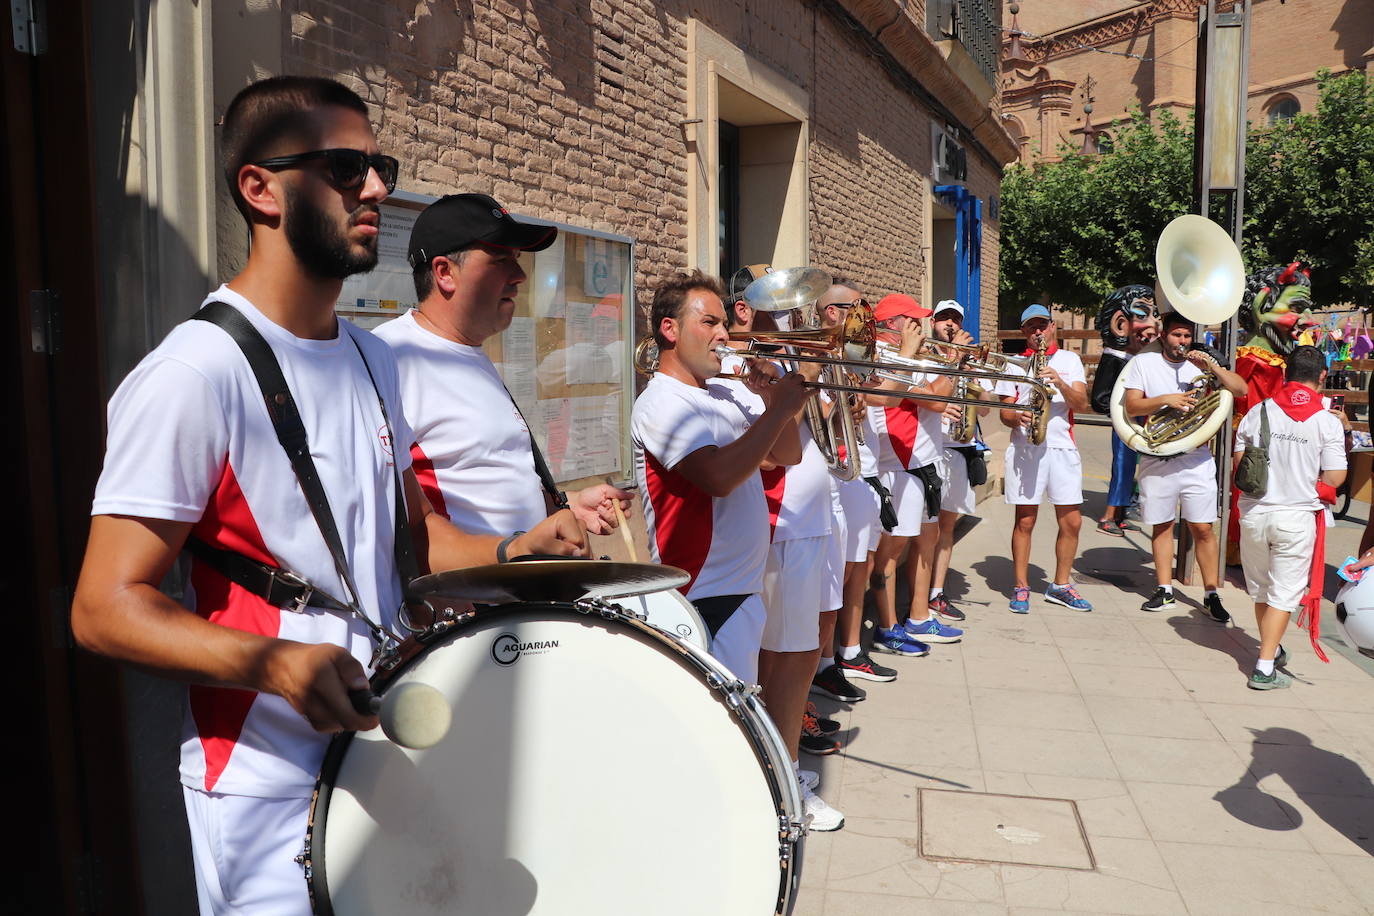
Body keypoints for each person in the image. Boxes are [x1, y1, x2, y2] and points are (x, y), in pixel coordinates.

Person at [69, 76, 584, 915]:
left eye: (377, 164)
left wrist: (512, 553)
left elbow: (414, 546)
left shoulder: (378, 361)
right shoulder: (192, 375)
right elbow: (102, 606)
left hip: (390, 756)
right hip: (264, 790)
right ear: (259, 189)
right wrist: (272, 663)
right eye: (347, 167)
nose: (377, 188)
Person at [373, 192, 632, 537]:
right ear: (444, 272)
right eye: (500, 260)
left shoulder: (472, 353)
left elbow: (485, 485)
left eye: (517, 258)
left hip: (514, 588)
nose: (520, 275)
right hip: (461, 590)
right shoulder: (388, 357)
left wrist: (568, 504)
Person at [714, 264, 845, 828]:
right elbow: (764, 447)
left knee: (800, 654)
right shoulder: (735, 366)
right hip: (780, 522)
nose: (796, 306)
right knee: (785, 660)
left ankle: (780, 763)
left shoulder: (784, 355)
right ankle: (782, 780)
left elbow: (826, 427)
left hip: (808, 520)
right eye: (779, 295)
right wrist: (787, 378)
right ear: (742, 308)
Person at [1120, 311, 1248, 618]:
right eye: (1177, 335)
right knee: (1162, 525)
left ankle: (1211, 594)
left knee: (1203, 527)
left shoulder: (1201, 365)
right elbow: (1132, 405)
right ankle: (1164, 590)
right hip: (1158, 454)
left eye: (1188, 336)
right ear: (1164, 336)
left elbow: (1241, 390)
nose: (1183, 342)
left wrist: (1214, 369)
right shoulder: (1144, 363)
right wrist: (1167, 399)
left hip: (1195, 456)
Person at [1233, 345, 1347, 689]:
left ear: (1285, 374)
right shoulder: (1327, 421)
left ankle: (1272, 647)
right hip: (1296, 518)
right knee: (1283, 594)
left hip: (1254, 514)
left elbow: (1240, 464)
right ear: (1322, 377)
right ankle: (1264, 666)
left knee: (1262, 591)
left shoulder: (1259, 411)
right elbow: (1336, 477)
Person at [812, 282, 899, 691]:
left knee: (855, 569)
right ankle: (824, 661)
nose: (863, 315)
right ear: (832, 313)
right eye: (855, 308)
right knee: (837, 575)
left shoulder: (847, 355)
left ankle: (841, 654)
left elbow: (877, 396)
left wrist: (855, 402)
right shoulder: (818, 352)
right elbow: (822, 408)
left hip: (856, 471)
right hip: (834, 475)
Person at [866, 294, 965, 649]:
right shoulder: (886, 356)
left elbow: (937, 394)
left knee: (927, 540)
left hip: (922, 461)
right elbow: (936, 399)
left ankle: (919, 617)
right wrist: (954, 362)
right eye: (914, 321)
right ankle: (887, 626)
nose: (922, 328)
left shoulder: (909, 356)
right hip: (900, 463)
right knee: (889, 552)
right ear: (895, 324)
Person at [996, 304, 1092, 613]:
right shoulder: (1013, 364)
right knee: (1025, 519)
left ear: (1052, 327)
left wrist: (1060, 383)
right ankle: (1021, 585)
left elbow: (1083, 404)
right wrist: (1017, 417)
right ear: (1024, 331)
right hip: (1027, 447)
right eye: (1031, 327)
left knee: (1072, 521)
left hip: (1062, 446)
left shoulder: (1069, 360)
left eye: (1042, 326)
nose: (1037, 331)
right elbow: (1005, 413)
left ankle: (1061, 585)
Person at [926, 299, 990, 622]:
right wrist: (954, 361)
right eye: (943, 319)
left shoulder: (968, 361)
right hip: (928, 450)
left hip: (957, 450)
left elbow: (987, 408)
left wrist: (974, 379)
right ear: (933, 323)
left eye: (955, 320)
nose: (949, 325)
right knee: (924, 528)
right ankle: (917, 593)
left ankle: (936, 592)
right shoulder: (924, 355)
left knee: (947, 527)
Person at [1092, 285, 1159, 536]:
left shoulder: (1137, 360)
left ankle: (1120, 513)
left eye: (1155, 316)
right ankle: (1108, 514)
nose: (1153, 324)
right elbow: (1099, 398)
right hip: (1125, 422)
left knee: (1131, 468)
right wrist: (1122, 405)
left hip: (1137, 421)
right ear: (1120, 324)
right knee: (1122, 465)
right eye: (1143, 314)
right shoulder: (1114, 358)